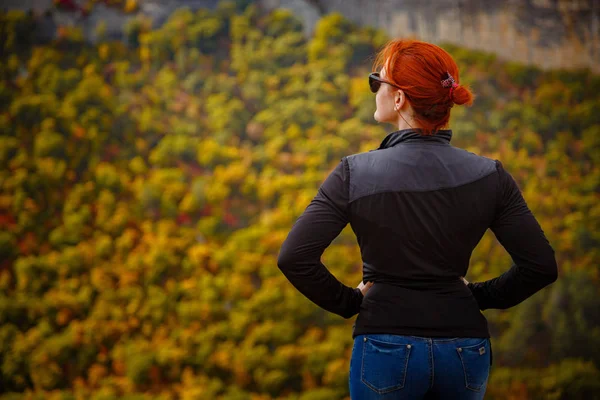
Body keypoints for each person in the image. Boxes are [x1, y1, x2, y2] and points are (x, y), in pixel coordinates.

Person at [277, 39, 558, 399]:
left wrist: (349, 302)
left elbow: (294, 257)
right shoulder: (490, 175)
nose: (374, 87)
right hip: (465, 348)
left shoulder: (354, 172)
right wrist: (477, 295)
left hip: (385, 343)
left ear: (399, 99)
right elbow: (540, 266)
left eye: (378, 80)